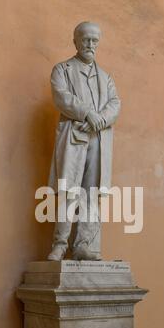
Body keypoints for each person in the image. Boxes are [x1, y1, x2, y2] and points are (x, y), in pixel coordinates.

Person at [47, 21, 121, 261]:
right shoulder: (62, 70)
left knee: (91, 192)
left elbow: (115, 104)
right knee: (69, 189)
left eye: (94, 40)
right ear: (75, 41)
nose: (91, 44)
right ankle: (60, 244)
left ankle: (83, 245)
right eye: (86, 39)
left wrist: (98, 120)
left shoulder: (106, 77)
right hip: (74, 137)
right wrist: (87, 113)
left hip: (98, 140)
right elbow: (61, 97)